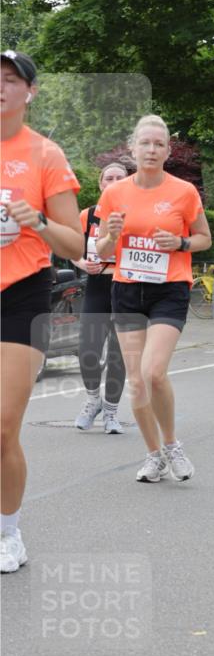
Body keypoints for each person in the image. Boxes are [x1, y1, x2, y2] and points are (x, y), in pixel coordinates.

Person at [1, 50, 83, 573]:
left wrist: (35, 223)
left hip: (21, 294)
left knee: (3, 426)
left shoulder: (46, 155)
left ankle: (7, 531)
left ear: (29, 92)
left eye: (11, 80)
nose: (0, 87)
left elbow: (75, 244)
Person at [95, 114, 211, 481]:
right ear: (133, 148)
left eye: (158, 144)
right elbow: (100, 251)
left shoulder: (183, 191)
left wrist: (179, 242)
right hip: (127, 288)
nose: (151, 149)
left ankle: (173, 444)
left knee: (154, 372)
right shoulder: (114, 192)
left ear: (167, 151)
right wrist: (111, 236)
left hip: (169, 289)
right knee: (137, 380)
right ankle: (153, 454)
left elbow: (204, 238)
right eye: (144, 143)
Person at [72, 162, 129, 433]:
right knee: (88, 351)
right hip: (96, 287)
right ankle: (93, 400)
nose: (114, 181)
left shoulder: (138, 214)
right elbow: (71, 247)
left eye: (120, 177)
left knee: (119, 355)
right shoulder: (88, 215)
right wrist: (82, 264)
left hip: (126, 288)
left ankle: (111, 413)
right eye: (109, 177)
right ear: (101, 184)